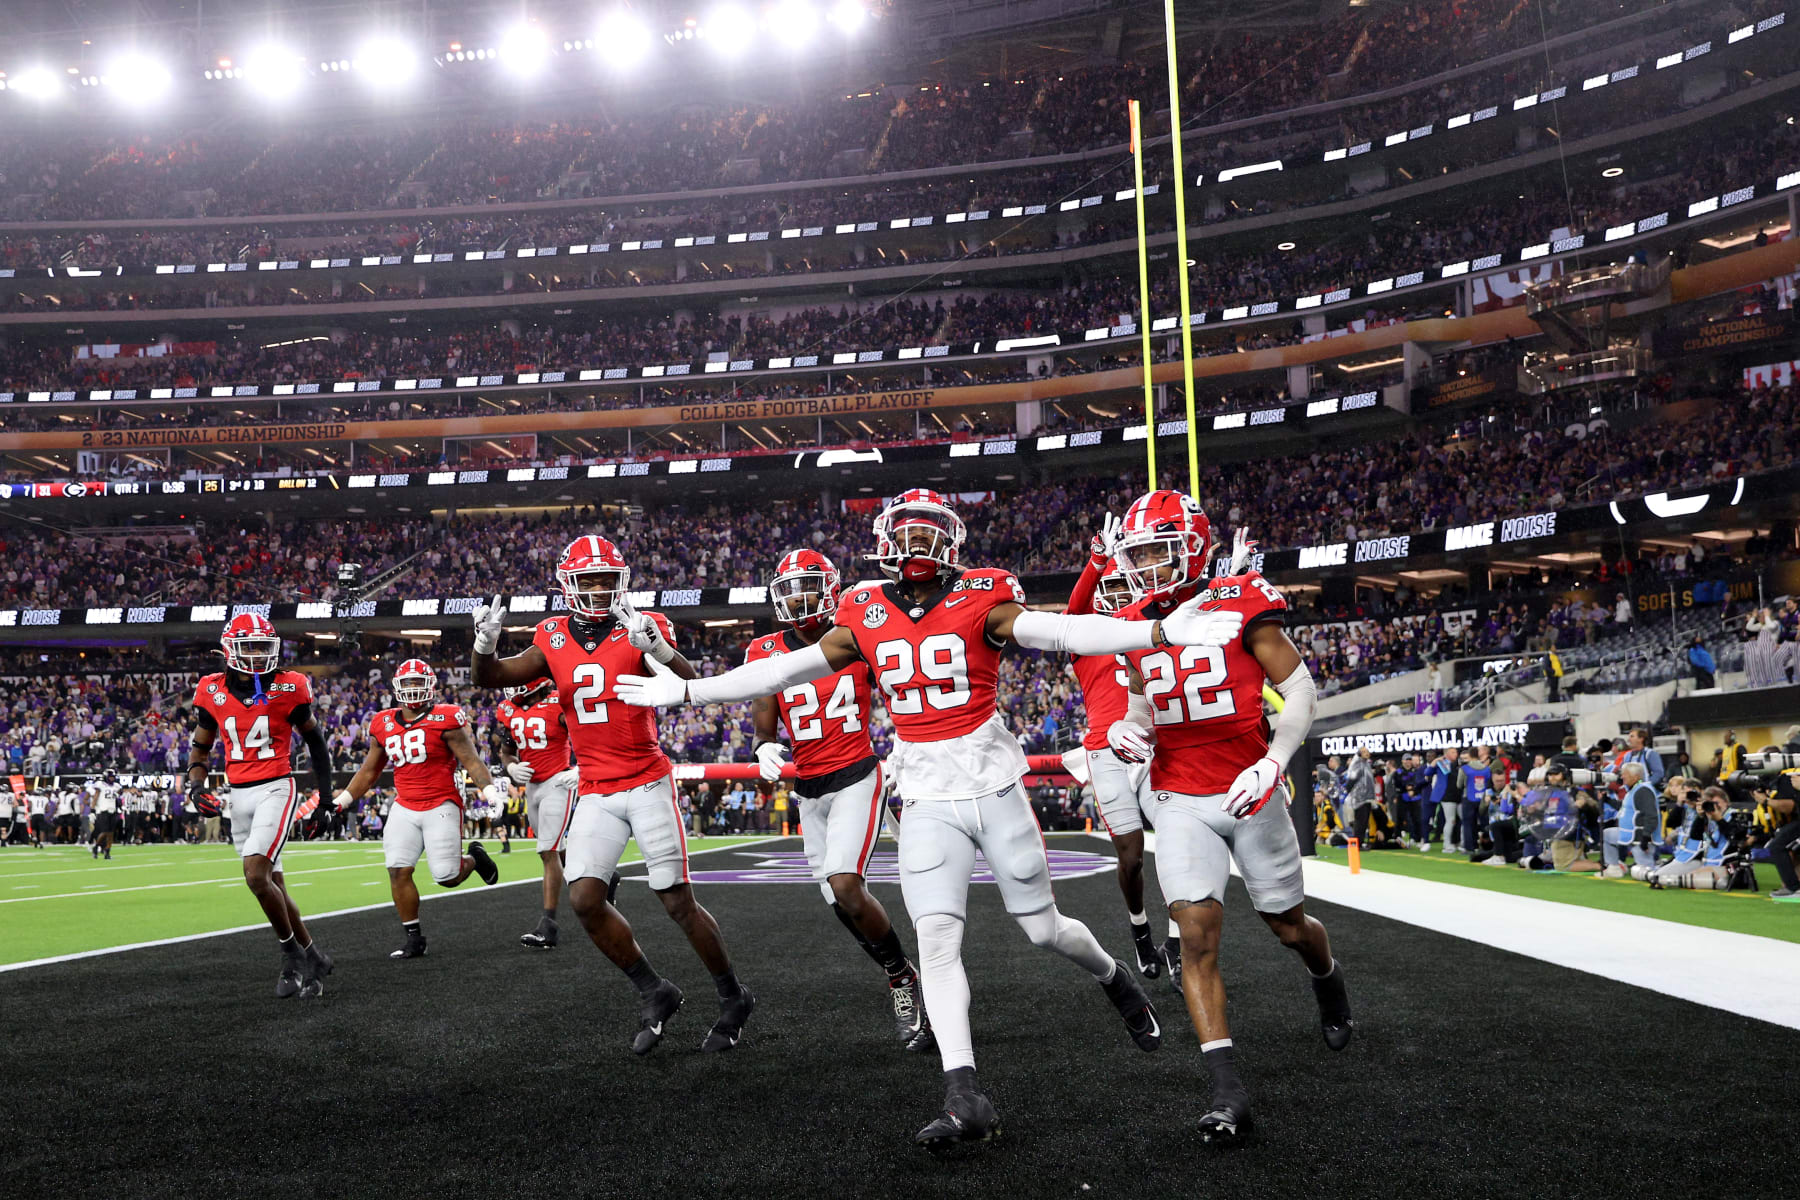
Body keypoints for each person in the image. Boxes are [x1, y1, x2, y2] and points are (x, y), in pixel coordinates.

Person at [613, 487, 1205, 1148]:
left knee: (1043, 930)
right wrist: (689, 688)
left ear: (950, 541)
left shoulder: (982, 594)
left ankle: (1116, 979)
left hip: (990, 780)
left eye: (927, 534)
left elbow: (1060, 630)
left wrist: (1153, 630)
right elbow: (786, 669)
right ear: (885, 543)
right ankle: (963, 1093)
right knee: (937, 940)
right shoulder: (863, 608)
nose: (915, 546)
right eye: (906, 534)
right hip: (923, 787)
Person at [1103, 492, 1351, 1145]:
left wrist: (1274, 762)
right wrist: (1131, 732)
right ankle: (1227, 1092)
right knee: (1196, 929)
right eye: (1140, 554)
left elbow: (1299, 689)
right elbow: (1137, 706)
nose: (1148, 566)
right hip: (1178, 792)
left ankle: (1327, 979)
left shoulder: (1243, 598)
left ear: (1193, 546)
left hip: (1249, 786)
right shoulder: (1132, 623)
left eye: (1160, 550)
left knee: (1289, 927)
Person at [471, 536, 755, 1056]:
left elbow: (689, 685)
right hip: (596, 787)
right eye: (589, 580)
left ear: (622, 582)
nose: (600, 589)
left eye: (608, 579)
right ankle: (654, 989)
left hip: (646, 778)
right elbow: (491, 676)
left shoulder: (640, 625)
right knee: (583, 899)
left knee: (675, 900)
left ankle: (733, 996)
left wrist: (660, 651)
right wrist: (484, 644)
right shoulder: (551, 635)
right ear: (567, 586)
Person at [747, 547, 932, 1051]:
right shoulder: (765, 651)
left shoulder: (857, 636)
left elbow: (906, 689)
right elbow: (765, 720)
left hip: (857, 772)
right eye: (790, 590)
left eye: (809, 587)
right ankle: (905, 972)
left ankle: (901, 978)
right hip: (809, 786)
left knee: (846, 883)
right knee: (837, 899)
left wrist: (904, 747)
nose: (800, 598)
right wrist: (763, 745)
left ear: (829, 590)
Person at [186, 614, 337, 999]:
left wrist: (325, 798)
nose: (255, 655)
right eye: (247, 646)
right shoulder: (211, 690)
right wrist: (196, 784)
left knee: (255, 874)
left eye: (262, 646)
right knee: (272, 884)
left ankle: (290, 955)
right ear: (228, 651)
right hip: (238, 793)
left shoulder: (290, 686)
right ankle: (313, 956)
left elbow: (316, 745)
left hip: (276, 787)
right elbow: (201, 746)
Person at [331, 659, 505, 959]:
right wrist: (342, 801)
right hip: (404, 804)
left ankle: (473, 859)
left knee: (447, 877)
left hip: (441, 802)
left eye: (418, 682)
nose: (413, 689)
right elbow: (369, 771)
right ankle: (414, 938)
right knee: (398, 870)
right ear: (397, 687)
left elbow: (471, 760)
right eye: (407, 683)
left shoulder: (446, 717)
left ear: (431, 687)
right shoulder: (382, 722)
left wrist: (488, 790)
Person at [1062, 515, 1173, 983]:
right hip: (1107, 753)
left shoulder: (1148, 627)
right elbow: (1071, 614)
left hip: (1153, 747)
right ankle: (1141, 931)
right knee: (1129, 854)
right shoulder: (1085, 642)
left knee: (1176, 842)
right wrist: (1096, 562)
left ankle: (1181, 939)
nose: (1114, 601)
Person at [495, 676, 579, 950]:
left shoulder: (560, 703)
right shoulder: (510, 710)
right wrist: (510, 767)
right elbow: (506, 751)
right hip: (533, 785)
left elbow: (587, 737)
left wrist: (581, 769)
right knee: (555, 847)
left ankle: (548, 925)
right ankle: (603, 878)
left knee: (547, 850)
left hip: (559, 780)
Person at [1602, 760, 1660, 876]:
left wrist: (1646, 836)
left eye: (1625, 774)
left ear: (1635, 777)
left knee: (1646, 872)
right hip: (1628, 834)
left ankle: (1659, 869)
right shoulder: (1634, 790)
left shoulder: (1643, 790)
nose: (1622, 776)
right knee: (1607, 834)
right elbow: (1625, 807)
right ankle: (1613, 867)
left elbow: (1652, 815)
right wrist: (1607, 800)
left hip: (1639, 836)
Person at [1425, 745, 1458, 852]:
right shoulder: (1442, 764)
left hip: (1457, 794)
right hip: (1445, 795)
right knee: (1449, 820)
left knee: (1458, 820)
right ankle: (1446, 843)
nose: (1456, 754)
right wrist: (1435, 761)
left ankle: (1457, 841)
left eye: (1456, 752)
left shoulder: (1459, 764)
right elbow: (1428, 773)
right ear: (1447, 754)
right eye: (1453, 752)